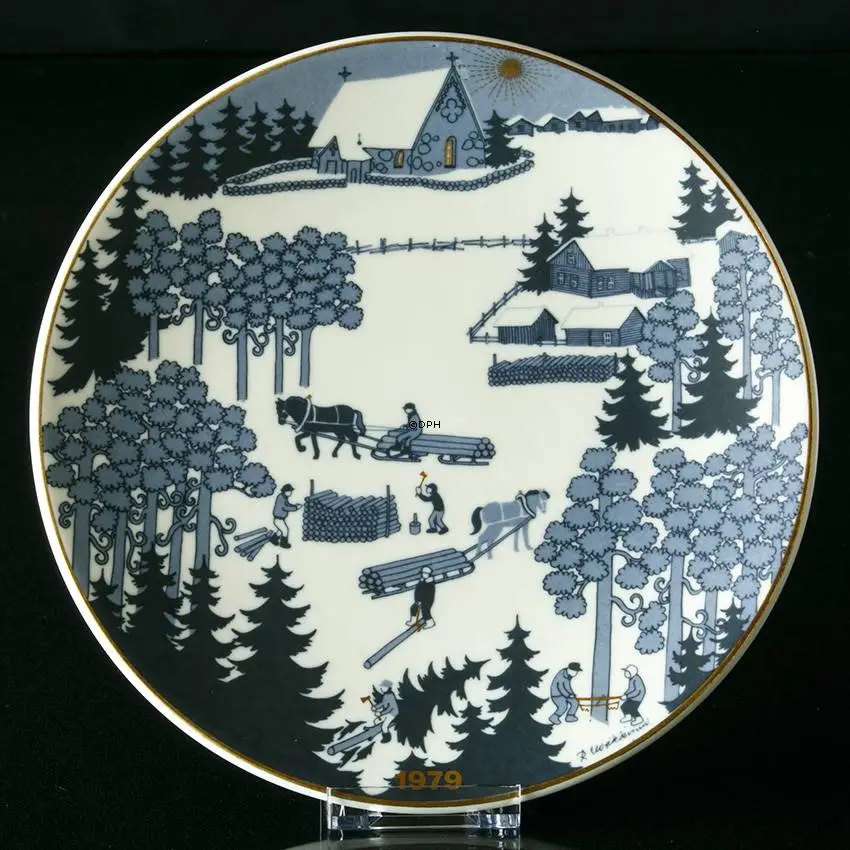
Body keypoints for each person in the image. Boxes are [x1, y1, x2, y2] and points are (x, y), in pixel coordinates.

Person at [272, 483, 302, 549]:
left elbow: (287, 504)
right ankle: (283, 544)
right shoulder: (281, 497)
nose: (290, 493)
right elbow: (285, 507)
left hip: (280, 518)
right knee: (285, 530)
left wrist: (295, 505)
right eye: (289, 491)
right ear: (284, 491)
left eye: (291, 491)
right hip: (278, 518)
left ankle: (273, 540)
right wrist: (296, 508)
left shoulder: (284, 497)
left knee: (280, 530)